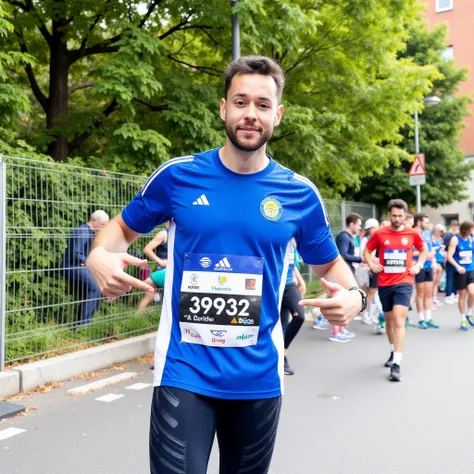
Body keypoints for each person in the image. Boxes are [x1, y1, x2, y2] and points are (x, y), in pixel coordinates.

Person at [85, 56, 365, 474]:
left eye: (262, 104)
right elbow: (120, 231)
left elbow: (332, 270)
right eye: (240, 102)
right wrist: (96, 257)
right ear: (223, 108)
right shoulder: (178, 177)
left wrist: (356, 298)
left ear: (278, 114)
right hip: (184, 371)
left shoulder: (299, 194)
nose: (250, 114)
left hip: (258, 379)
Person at [363, 199, 427, 382]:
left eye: (400, 216)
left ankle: (397, 363)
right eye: (394, 215)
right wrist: (371, 264)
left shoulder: (412, 233)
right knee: (390, 322)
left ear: (405, 216)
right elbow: (367, 252)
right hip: (384, 282)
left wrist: (419, 265)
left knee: (399, 320)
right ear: (389, 215)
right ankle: (393, 350)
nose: (397, 218)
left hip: (404, 282)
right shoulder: (380, 234)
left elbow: (423, 250)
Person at [61, 210, 110, 325]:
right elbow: (76, 254)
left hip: (81, 265)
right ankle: (83, 323)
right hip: (71, 266)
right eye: (102, 225)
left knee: (101, 285)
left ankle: (90, 318)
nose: (104, 228)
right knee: (95, 288)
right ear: (93, 220)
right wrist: (89, 262)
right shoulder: (83, 231)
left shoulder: (90, 232)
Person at [279, 239, 307, 375]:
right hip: (275, 285)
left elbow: (292, 263)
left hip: (289, 284)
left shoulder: (292, 240)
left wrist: (300, 279)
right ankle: (278, 359)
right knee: (281, 323)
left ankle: (283, 351)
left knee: (300, 316)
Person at [446, 220, 474, 331]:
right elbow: (449, 256)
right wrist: (458, 266)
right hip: (459, 271)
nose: (471, 231)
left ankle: (469, 313)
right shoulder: (455, 239)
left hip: (470, 269)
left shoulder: (471, 238)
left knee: (472, 293)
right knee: (462, 295)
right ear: (464, 229)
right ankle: (463, 318)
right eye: (470, 229)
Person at [413, 214, 439, 329]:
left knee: (428, 293)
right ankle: (421, 319)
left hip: (428, 266)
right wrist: (425, 254)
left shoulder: (428, 234)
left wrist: (433, 263)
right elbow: (411, 253)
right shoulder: (413, 234)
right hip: (419, 266)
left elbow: (431, 250)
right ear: (419, 222)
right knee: (421, 294)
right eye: (426, 222)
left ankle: (429, 318)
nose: (428, 224)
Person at [136, 223, 169, 313]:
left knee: (150, 296)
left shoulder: (180, 236)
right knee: (150, 295)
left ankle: (139, 316)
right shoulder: (164, 234)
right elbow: (147, 249)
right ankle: (136, 318)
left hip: (172, 270)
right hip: (162, 271)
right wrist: (160, 261)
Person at [361, 218, 380, 324]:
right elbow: (365, 255)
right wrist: (375, 260)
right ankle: (366, 314)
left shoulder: (375, 238)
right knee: (369, 293)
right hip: (369, 269)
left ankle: (370, 314)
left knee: (373, 292)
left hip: (374, 268)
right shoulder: (367, 239)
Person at [444, 220, 460, 304]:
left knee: (453, 277)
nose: (457, 228)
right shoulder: (448, 236)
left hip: (454, 259)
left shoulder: (452, 235)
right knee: (449, 277)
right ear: (453, 226)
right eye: (456, 226)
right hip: (450, 258)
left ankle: (453, 293)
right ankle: (448, 294)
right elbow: (446, 247)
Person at [431, 224, 446, 307]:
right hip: (432, 261)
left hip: (440, 260)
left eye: (441, 232)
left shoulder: (441, 240)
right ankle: (429, 299)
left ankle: (434, 299)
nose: (440, 233)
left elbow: (441, 252)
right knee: (431, 281)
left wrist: (442, 251)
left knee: (436, 281)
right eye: (439, 231)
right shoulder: (430, 238)